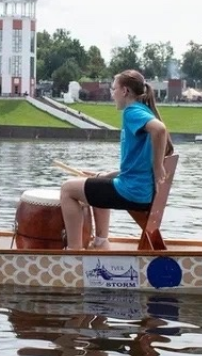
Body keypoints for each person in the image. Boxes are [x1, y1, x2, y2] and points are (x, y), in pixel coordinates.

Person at [60, 69, 171, 250]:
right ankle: (101, 243)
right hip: (139, 189)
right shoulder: (142, 110)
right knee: (98, 182)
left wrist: (158, 166)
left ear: (125, 91)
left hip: (132, 192)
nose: (112, 94)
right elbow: (138, 165)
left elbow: (159, 130)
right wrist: (106, 175)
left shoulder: (132, 112)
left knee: (67, 190)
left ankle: (74, 252)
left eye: (114, 89)